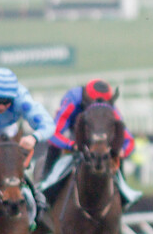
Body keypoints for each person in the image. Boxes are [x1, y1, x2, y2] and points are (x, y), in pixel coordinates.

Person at [40, 79, 140, 209]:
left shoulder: (110, 109)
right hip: (74, 135)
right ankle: (45, 183)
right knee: (53, 147)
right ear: (86, 100)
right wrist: (71, 145)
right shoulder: (73, 99)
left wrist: (121, 151)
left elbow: (129, 141)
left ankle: (123, 192)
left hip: (98, 143)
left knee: (116, 154)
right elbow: (52, 133)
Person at [0, 67, 54, 224]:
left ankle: (33, 202)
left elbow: (48, 124)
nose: (0, 106)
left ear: (13, 98)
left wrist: (34, 137)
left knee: (11, 165)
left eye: (6, 102)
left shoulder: (22, 98)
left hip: (6, 128)